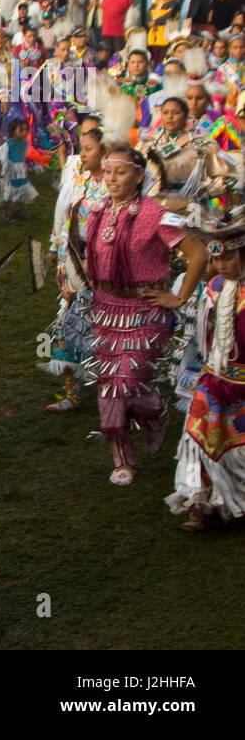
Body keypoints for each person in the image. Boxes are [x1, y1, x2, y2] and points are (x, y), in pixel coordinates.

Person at [85, 144, 207, 486]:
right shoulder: (99, 212)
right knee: (109, 387)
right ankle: (123, 459)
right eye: (107, 172)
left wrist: (179, 297)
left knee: (127, 381)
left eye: (119, 172)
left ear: (139, 176)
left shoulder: (156, 213)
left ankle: (156, 413)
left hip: (145, 310)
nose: (111, 178)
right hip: (105, 308)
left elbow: (198, 253)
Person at [166, 211, 245, 531]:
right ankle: (202, 504)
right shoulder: (213, 287)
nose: (223, 265)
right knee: (198, 439)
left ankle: (234, 499)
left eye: (230, 258)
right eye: (219, 259)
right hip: (214, 378)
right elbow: (204, 335)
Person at [42, 123, 107, 413]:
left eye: (89, 149)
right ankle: (72, 393)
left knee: (103, 330)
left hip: (104, 268)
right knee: (67, 326)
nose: (82, 155)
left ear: (104, 152)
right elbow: (62, 216)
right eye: (82, 148)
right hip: (75, 259)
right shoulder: (77, 181)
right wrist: (59, 256)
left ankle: (111, 392)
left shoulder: (114, 183)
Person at [0, 118, 38, 220]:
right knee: (7, 194)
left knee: (20, 192)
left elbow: (24, 156)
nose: (25, 132)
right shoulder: (7, 145)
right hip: (8, 173)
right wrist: (0, 172)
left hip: (19, 173)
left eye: (26, 130)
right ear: (13, 131)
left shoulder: (24, 143)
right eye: (21, 130)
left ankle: (18, 211)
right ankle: (5, 213)